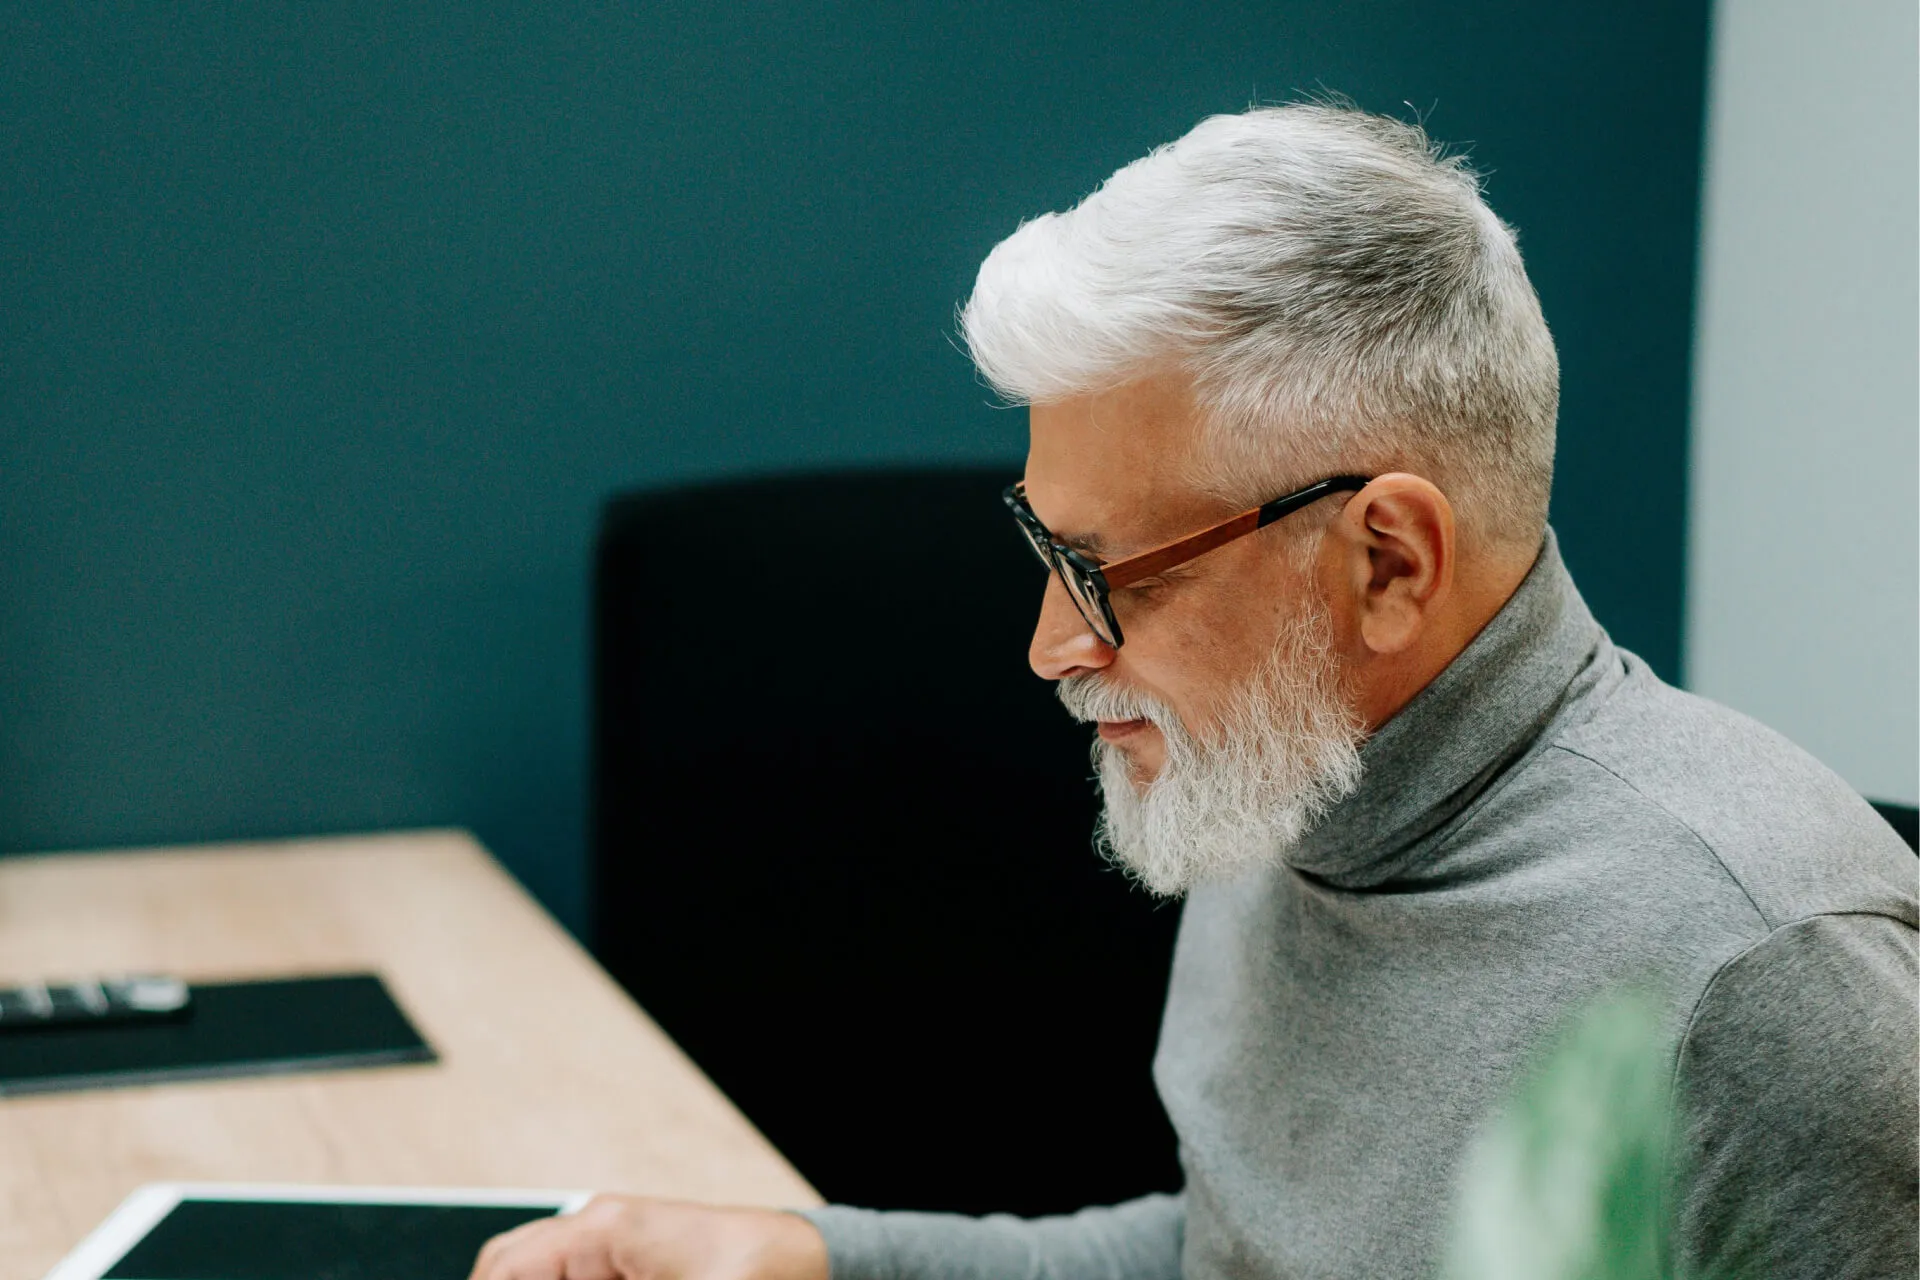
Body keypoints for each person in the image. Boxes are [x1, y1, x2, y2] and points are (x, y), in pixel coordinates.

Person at [469, 103, 1918, 1280]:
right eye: (1044, 547)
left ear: (1390, 563)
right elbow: (1225, 1257)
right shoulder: (1285, 772)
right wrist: (809, 1259)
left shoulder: (1765, 987)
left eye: (1114, 571)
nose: (1049, 643)